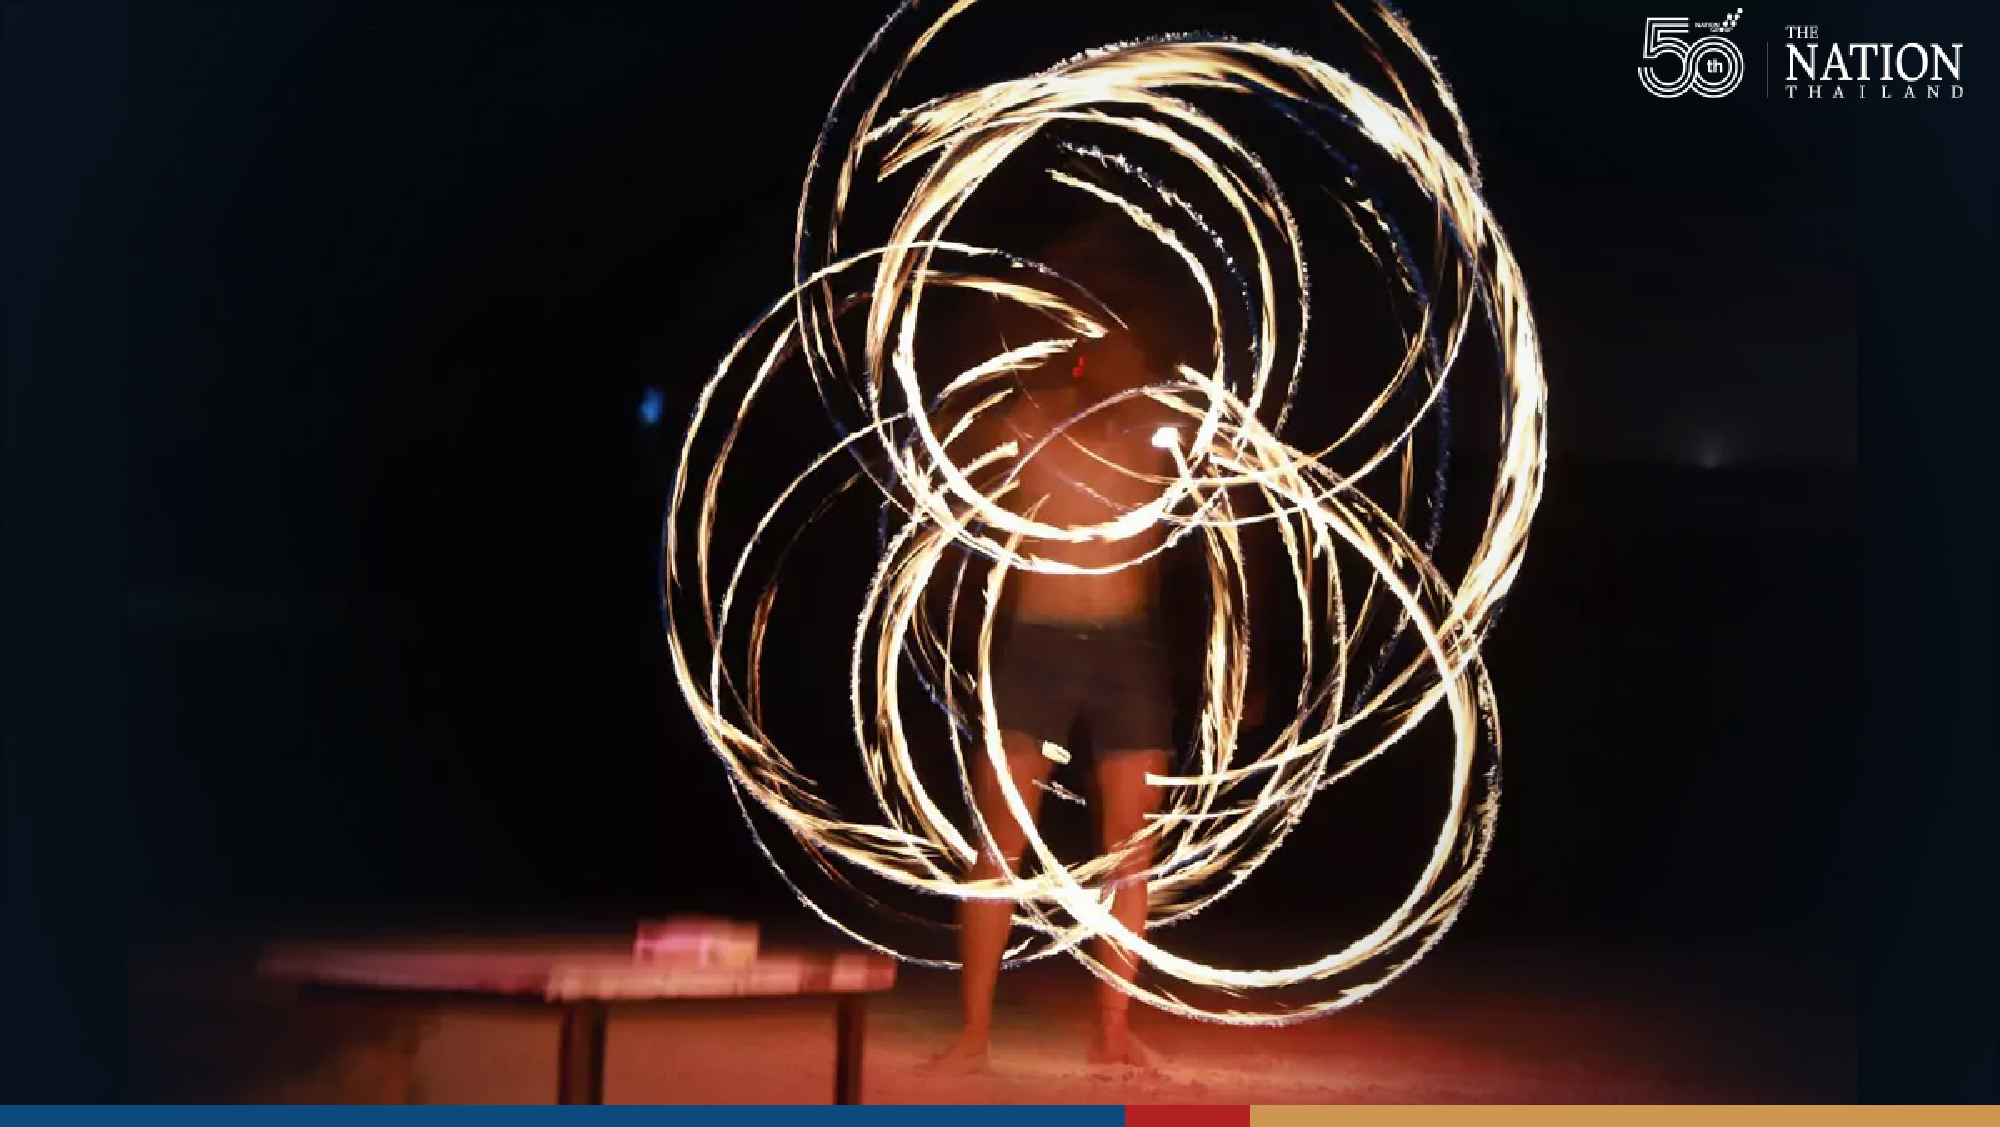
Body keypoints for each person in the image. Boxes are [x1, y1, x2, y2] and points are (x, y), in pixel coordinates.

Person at [924, 243, 1187, 1072]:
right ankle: (973, 1030)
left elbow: (1237, 530)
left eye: (1138, 350)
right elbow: (950, 472)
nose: (1127, 361)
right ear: (1083, 349)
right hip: (1037, 643)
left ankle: (1112, 1031)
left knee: (1130, 846)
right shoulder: (1031, 419)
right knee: (999, 836)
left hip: (1126, 648)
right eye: (1113, 345)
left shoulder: (1160, 431)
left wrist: (1256, 657)